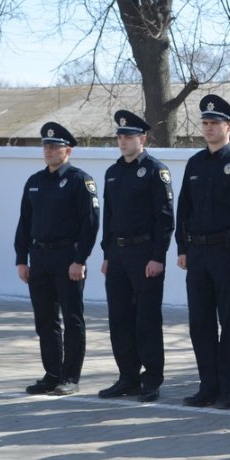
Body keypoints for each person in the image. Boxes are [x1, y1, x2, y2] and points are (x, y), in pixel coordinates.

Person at [176, 94, 230, 410]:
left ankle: (228, 390)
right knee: (200, 324)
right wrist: (182, 247)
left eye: (215, 123)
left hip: (228, 256)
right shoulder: (195, 163)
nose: (209, 128)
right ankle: (207, 387)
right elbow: (183, 209)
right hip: (198, 254)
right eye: (205, 123)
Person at [15, 122, 100, 396]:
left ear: (68, 151)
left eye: (54, 147)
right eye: (46, 147)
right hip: (39, 257)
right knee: (45, 320)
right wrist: (21, 258)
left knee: (72, 319)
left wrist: (80, 259)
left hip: (67, 258)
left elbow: (90, 224)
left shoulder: (79, 181)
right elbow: (24, 223)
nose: (48, 151)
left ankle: (70, 377)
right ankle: (52, 374)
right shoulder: (35, 182)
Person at [98, 110, 174, 403]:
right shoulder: (113, 172)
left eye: (128, 136)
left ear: (142, 138)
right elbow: (109, 217)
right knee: (119, 318)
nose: (122, 141)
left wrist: (158, 256)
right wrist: (107, 253)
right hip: (117, 254)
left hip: (145, 254)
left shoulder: (155, 170)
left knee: (146, 319)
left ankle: (151, 379)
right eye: (119, 136)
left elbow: (164, 219)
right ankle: (127, 377)